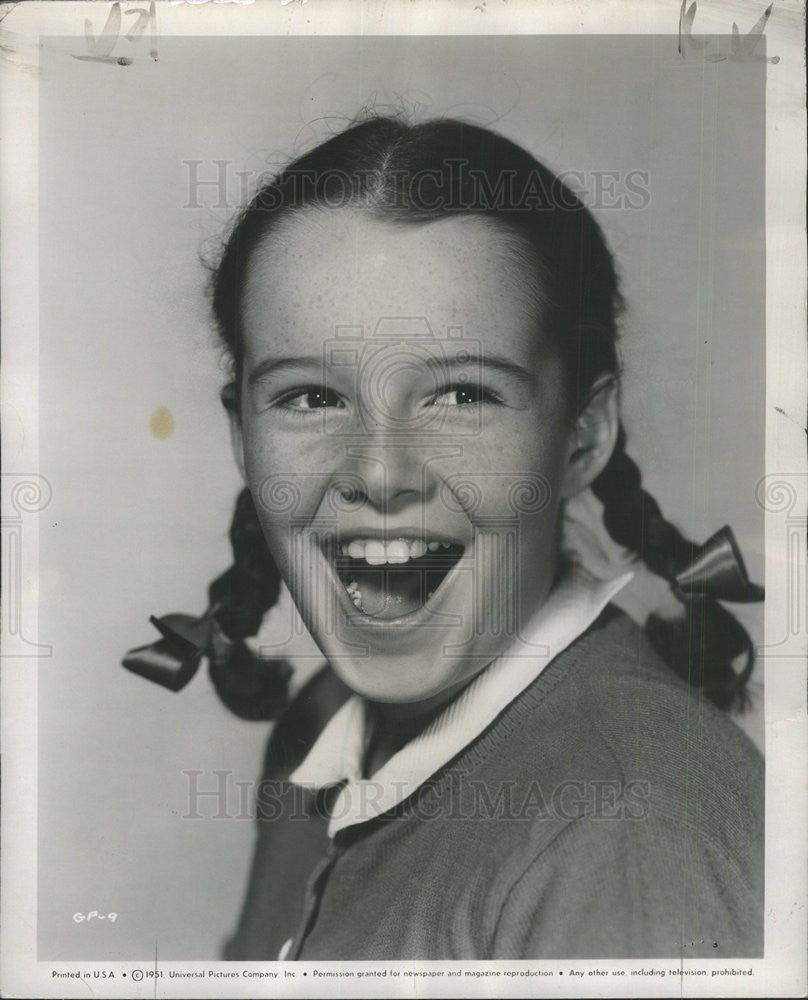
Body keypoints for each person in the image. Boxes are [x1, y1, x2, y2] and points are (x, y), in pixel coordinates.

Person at [124, 116, 764, 960]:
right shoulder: (317, 732)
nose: (381, 474)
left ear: (583, 434)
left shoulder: (632, 834)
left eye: (461, 395)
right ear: (242, 435)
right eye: (310, 398)